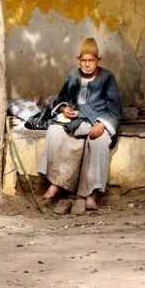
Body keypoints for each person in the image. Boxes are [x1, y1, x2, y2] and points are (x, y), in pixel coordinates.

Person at [39, 37, 122, 214]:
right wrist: (64, 108)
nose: (87, 65)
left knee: (98, 142)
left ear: (98, 61)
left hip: (97, 122)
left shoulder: (107, 78)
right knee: (54, 131)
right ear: (78, 60)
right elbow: (61, 100)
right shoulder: (72, 75)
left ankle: (93, 194)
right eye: (83, 61)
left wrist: (102, 124)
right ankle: (57, 183)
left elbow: (114, 109)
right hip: (76, 122)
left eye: (91, 61)